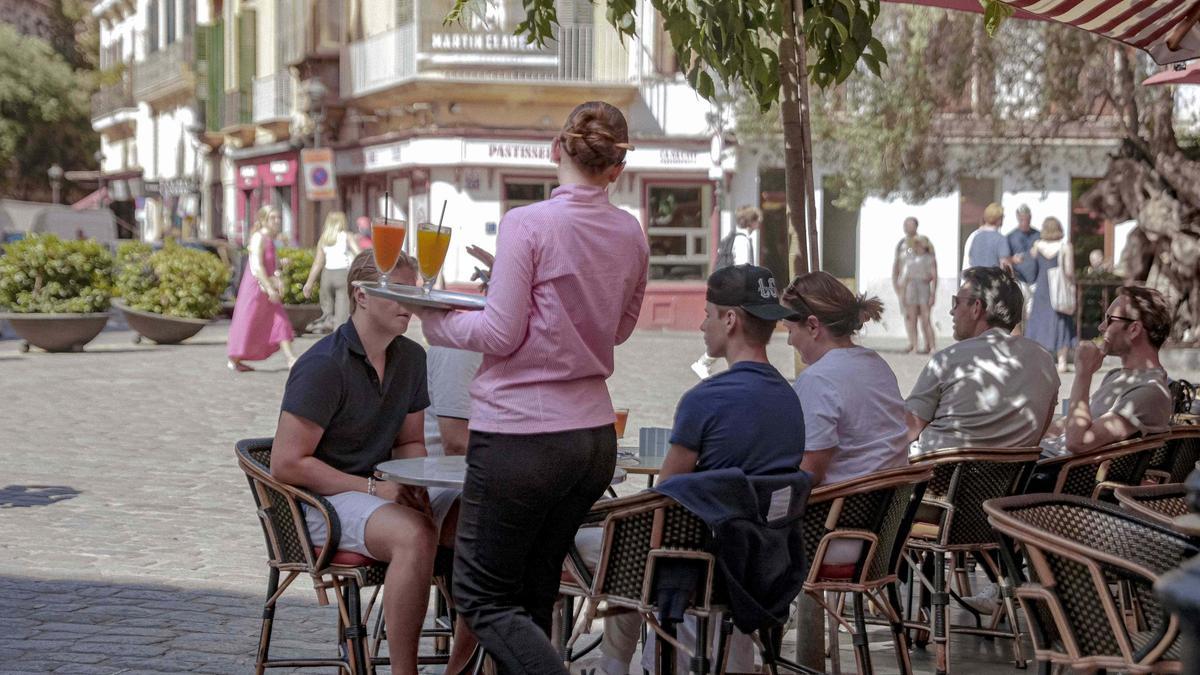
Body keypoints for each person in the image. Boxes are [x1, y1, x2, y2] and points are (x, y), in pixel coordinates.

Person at [412, 100, 649, 674]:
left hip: (523, 434)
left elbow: (498, 330)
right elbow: (617, 326)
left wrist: (433, 316)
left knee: (482, 598)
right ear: (616, 168)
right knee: (534, 598)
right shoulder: (629, 231)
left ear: (555, 150)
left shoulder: (529, 223)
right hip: (589, 437)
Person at [578, 264, 805, 675]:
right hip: (756, 565)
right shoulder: (791, 401)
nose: (702, 325)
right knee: (636, 542)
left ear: (730, 319)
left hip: (694, 560)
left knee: (590, 540)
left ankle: (609, 665)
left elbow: (663, 495)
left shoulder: (705, 398)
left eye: (708, 313)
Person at [271, 251, 456, 674]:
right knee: (415, 533)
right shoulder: (322, 366)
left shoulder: (411, 358)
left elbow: (411, 441)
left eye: (414, 292)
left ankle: (467, 665)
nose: (409, 304)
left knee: (477, 518)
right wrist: (375, 489)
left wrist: (418, 489)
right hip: (321, 501)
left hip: (380, 491)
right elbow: (286, 464)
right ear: (362, 295)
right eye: (398, 291)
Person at [906, 266, 1059, 457]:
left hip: (934, 479)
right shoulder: (1044, 360)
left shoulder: (948, 360)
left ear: (976, 307)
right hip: (1007, 482)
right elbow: (1038, 434)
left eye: (956, 303)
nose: (951, 312)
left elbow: (906, 430)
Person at [783, 271, 909, 489]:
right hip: (887, 510)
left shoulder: (818, 379)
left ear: (813, 326)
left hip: (839, 513)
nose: (788, 341)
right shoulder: (877, 364)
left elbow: (809, 473)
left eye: (790, 330)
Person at [1041, 286, 1173, 457]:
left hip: (1053, 473)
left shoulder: (1150, 390)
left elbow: (1077, 442)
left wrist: (1083, 374)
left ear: (1134, 329)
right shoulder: (1117, 376)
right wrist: (1024, 442)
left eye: (1110, 320)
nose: (1102, 327)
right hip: (1041, 458)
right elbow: (1070, 422)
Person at [691, 205, 763, 378]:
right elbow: (743, 270)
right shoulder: (742, 241)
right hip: (736, 295)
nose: (759, 224)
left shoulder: (730, 237)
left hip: (726, 292)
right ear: (751, 222)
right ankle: (705, 362)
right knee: (737, 331)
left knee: (736, 331)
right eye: (757, 221)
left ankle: (738, 366)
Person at [227, 205, 297, 372]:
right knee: (249, 321)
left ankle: (290, 358)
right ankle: (235, 357)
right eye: (273, 218)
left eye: (278, 217)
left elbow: (271, 264)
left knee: (280, 320)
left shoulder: (271, 240)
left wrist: (280, 267)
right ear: (264, 220)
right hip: (255, 288)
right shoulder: (258, 237)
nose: (277, 221)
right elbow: (257, 265)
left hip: (267, 286)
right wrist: (268, 287)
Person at [1024, 217, 1076, 372]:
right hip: (1058, 289)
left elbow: (1031, 266)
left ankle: (1039, 359)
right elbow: (1069, 271)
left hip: (1042, 288)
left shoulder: (1037, 246)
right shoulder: (1065, 246)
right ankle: (1061, 362)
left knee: (1039, 320)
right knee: (1061, 321)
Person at [303, 211, 361, 334]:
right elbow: (358, 255)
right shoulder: (347, 236)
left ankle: (325, 324)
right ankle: (338, 337)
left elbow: (318, 263)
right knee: (342, 313)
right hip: (342, 276)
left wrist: (309, 283)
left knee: (327, 310)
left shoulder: (324, 239)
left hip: (327, 275)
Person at [892, 217, 925, 353]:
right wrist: (895, 282)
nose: (907, 227)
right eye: (905, 225)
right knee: (907, 315)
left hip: (917, 283)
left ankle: (922, 345)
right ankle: (912, 342)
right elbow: (897, 264)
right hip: (904, 283)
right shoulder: (901, 244)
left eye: (910, 225)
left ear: (916, 226)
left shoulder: (921, 242)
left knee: (919, 316)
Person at [901, 236, 938, 354]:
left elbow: (934, 276)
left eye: (920, 244)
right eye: (916, 244)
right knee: (912, 319)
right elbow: (905, 276)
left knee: (925, 319)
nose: (917, 246)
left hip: (923, 287)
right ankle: (915, 346)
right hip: (911, 287)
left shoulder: (930, 258)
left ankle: (931, 346)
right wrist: (903, 293)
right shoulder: (909, 258)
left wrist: (933, 294)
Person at [961, 203, 1012, 273]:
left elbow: (971, 261)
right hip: (992, 279)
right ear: (999, 219)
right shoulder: (1000, 239)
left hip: (976, 279)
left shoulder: (976, 237)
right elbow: (1005, 264)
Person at [1007, 204, 1041, 285]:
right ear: (1017, 218)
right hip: (1019, 281)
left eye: (1027, 220)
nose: (1024, 223)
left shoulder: (1039, 236)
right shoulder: (1010, 237)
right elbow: (1004, 260)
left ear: (1030, 218)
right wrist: (1012, 259)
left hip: (1036, 281)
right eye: (1021, 220)